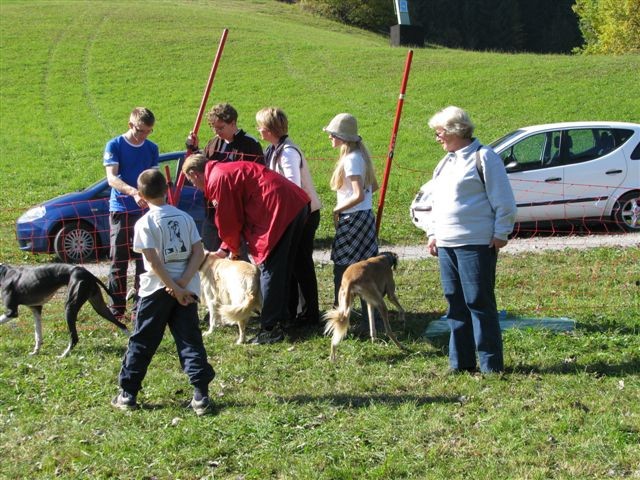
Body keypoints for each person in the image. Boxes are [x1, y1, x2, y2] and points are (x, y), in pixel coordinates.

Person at [112, 169, 215, 415]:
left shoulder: (144, 223)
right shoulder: (185, 217)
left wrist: (172, 286)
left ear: (142, 195)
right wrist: (182, 285)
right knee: (190, 339)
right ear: (167, 189)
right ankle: (201, 396)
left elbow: (153, 262)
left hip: (155, 290)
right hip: (186, 289)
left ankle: (128, 394)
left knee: (143, 340)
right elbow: (198, 252)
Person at [182, 153, 310, 345]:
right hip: (294, 203)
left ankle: (270, 328)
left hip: (278, 209)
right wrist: (226, 248)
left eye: (191, 181)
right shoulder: (224, 171)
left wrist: (233, 250)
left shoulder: (218, 179)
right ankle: (287, 318)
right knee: (286, 266)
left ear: (195, 174)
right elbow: (234, 216)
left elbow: (228, 220)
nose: (194, 186)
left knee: (270, 267)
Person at [426, 106, 517, 374]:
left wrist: (501, 232)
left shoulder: (484, 157)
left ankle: (491, 366)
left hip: (476, 243)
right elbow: (436, 202)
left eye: (439, 132)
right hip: (446, 244)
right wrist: (433, 234)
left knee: (479, 302)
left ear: (456, 130)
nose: (437, 138)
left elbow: (505, 201)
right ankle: (461, 364)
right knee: (454, 303)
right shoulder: (445, 162)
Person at [256, 107, 321, 329]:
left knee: (301, 263)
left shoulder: (288, 152)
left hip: (302, 213)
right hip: (289, 214)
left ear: (269, 129)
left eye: (260, 126)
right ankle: (293, 311)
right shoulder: (273, 149)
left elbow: (292, 186)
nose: (258, 130)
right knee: (291, 263)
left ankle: (310, 313)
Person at [323, 113, 379, 328]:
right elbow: (372, 187)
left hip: (353, 219)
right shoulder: (360, 156)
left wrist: (338, 208)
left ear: (342, 137)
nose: (329, 138)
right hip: (363, 217)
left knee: (343, 267)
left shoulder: (351, 160)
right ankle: (367, 316)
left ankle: (342, 315)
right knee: (364, 267)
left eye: (332, 134)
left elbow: (359, 194)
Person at [103, 107, 159, 321]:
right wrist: (134, 192)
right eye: (140, 130)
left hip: (144, 211)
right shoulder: (114, 145)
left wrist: (151, 196)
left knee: (143, 259)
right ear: (130, 125)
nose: (143, 135)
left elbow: (152, 176)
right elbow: (112, 178)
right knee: (119, 259)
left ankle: (140, 305)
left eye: (148, 131)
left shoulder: (152, 148)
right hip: (121, 209)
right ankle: (116, 308)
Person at [187, 103, 264, 252]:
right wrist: (195, 150)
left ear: (233, 123)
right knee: (211, 255)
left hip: (238, 214)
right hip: (212, 212)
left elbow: (256, 180)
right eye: (214, 128)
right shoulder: (213, 143)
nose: (217, 132)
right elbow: (204, 170)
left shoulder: (250, 145)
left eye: (220, 127)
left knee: (236, 256)